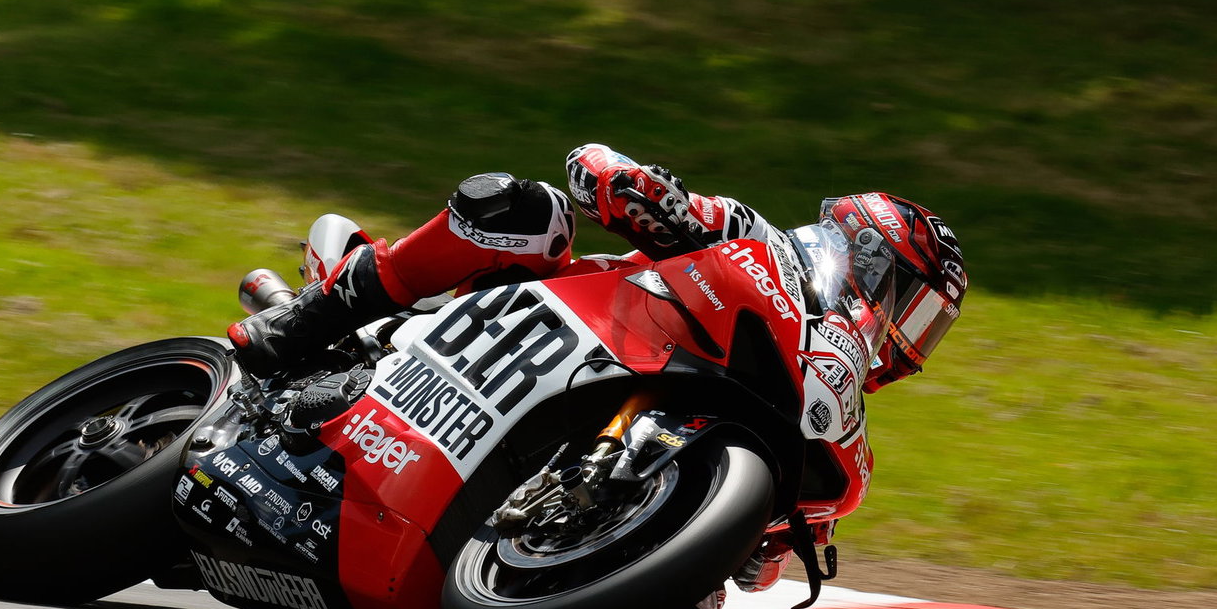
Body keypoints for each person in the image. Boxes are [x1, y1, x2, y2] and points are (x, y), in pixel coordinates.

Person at [230, 143, 968, 396]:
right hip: (529, 315)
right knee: (526, 210)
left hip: (589, 396)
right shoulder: (754, 239)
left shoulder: (822, 384)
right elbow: (599, 171)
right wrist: (637, 189)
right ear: (871, 259)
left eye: (928, 330)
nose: (912, 340)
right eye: (918, 311)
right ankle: (313, 317)